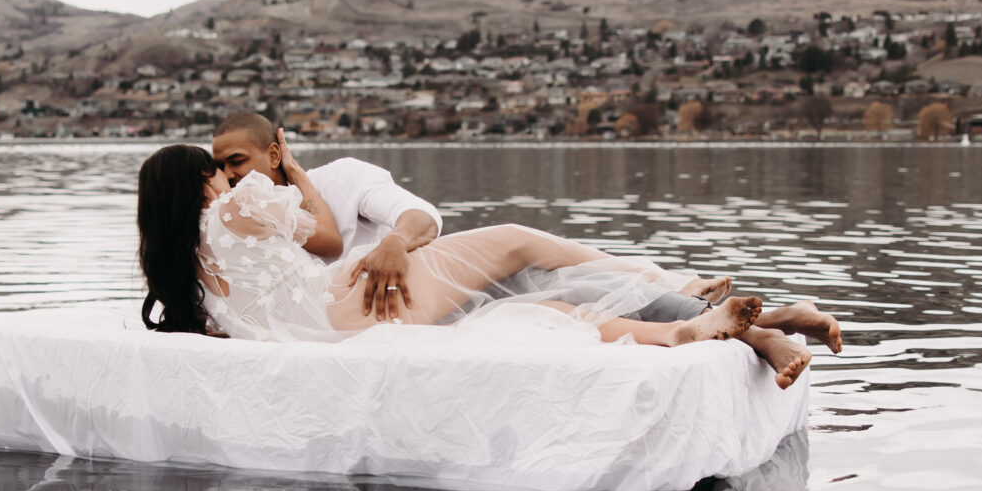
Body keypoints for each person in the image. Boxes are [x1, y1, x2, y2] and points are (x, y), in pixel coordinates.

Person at [136, 141, 812, 388]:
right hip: (349, 305)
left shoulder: (190, 276)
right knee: (518, 240)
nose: (227, 175)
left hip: (330, 325)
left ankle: (679, 330)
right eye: (215, 168)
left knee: (538, 312)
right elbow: (325, 234)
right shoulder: (237, 205)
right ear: (200, 180)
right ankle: (680, 287)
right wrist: (289, 168)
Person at [206, 110, 844, 352]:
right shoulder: (249, 224)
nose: (232, 178)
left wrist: (397, 242)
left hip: (451, 283)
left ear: (274, 150)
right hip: (413, 321)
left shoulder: (344, 177)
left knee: (553, 280)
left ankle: (749, 322)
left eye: (239, 163)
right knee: (560, 307)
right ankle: (764, 326)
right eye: (220, 169)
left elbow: (423, 217)